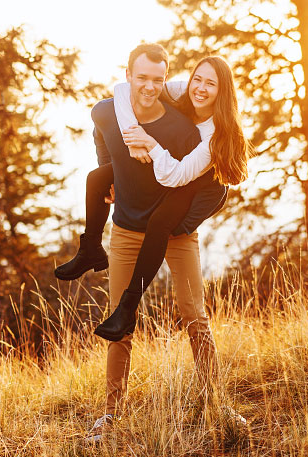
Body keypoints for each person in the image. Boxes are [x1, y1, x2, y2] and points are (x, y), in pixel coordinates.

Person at [55, 55, 249, 344]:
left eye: (211, 84)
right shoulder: (182, 89)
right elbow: (123, 91)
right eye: (198, 78)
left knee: (160, 224)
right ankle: (91, 249)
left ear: (222, 92)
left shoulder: (213, 136)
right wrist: (127, 153)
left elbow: (177, 176)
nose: (201, 88)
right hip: (169, 165)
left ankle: (130, 304)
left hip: (192, 183)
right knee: (96, 179)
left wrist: (149, 144)